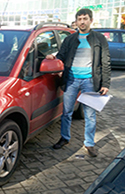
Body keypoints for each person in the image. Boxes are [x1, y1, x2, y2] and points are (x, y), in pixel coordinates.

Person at [46, 8, 111, 157]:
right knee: (66, 112)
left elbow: (106, 62)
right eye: (80, 19)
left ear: (90, 20)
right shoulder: (70, 39)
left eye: (85, 18)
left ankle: (89, 143)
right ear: (76, 21)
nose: (82, 22)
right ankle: (65, 138)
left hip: (90, 81)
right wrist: (53, 58)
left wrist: (105, 83)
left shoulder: (99, 38)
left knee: (90, 114)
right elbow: (61, 55)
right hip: (71, 80)